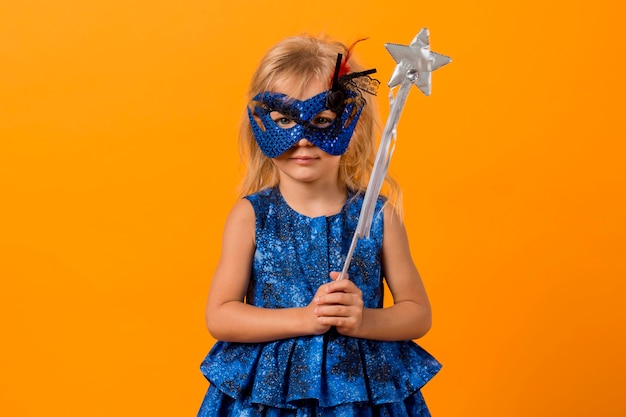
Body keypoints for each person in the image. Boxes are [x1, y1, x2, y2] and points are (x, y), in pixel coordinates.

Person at [197, 33, 441, 417]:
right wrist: (305, 318)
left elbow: (417, 313)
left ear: (351, 123)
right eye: (284, 121)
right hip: (268, 399)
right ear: (261, 124)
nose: (303, 140)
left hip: (360, 397)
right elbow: (221, 315)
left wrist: (363, 320)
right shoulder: (251, 216)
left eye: (323, 120)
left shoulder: (378, 216)